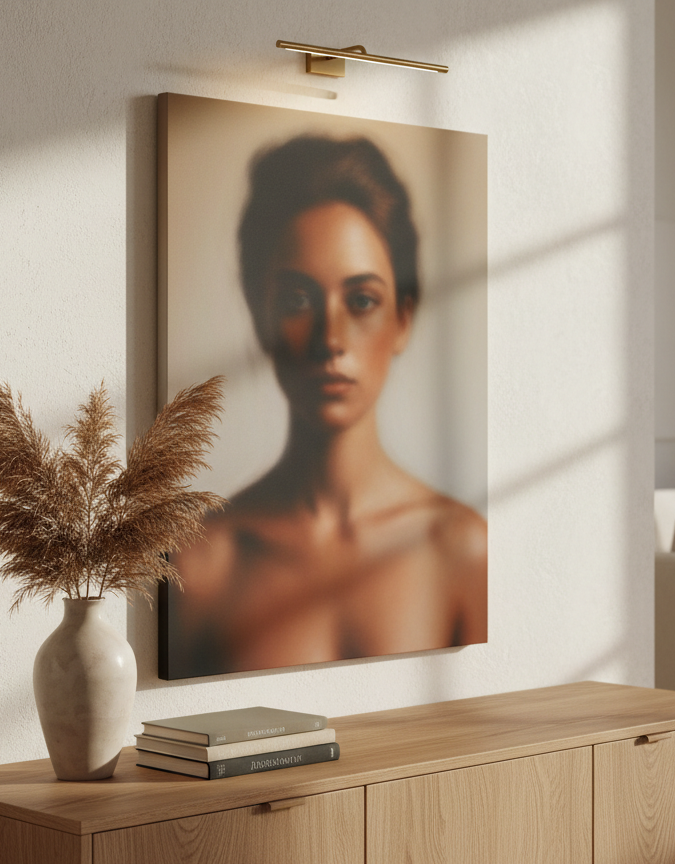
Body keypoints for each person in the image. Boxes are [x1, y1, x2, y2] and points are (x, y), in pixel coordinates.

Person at [168, 135, 487, 676]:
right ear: (259, 314)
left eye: (362, 300)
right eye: (296, 300)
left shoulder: (460, 549)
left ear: (403, 319)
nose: (330, 338)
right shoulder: (198, 566)